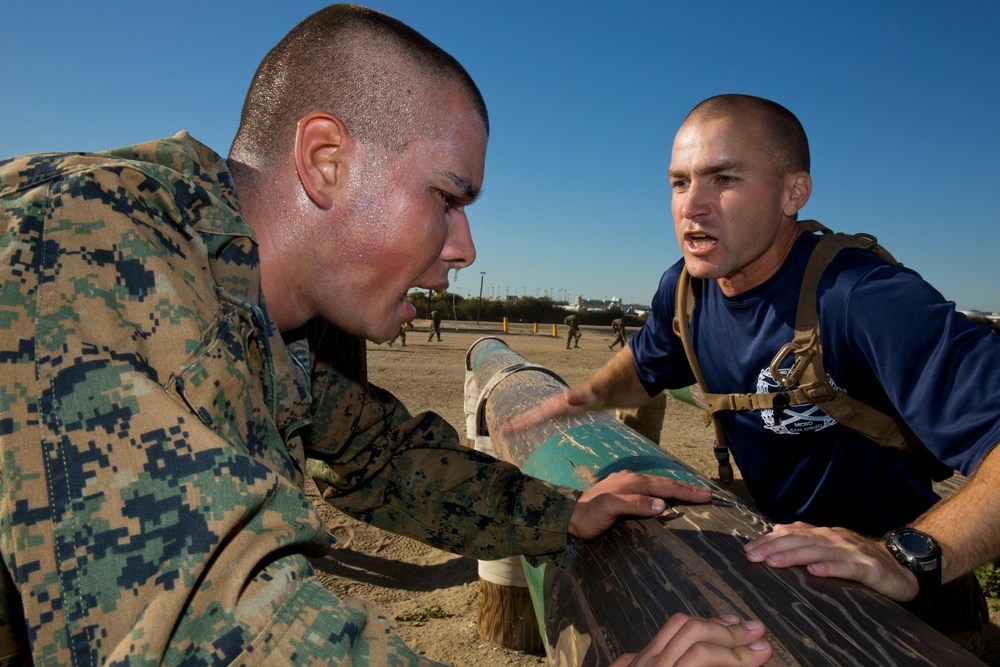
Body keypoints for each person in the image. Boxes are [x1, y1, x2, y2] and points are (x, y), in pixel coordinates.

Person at [0, 7, 773, 665]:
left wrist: (558, 511)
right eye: (446, 196)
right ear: (327, 162)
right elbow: (207, 622)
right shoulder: (82, 254)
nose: (466, 246)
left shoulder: (278, 304)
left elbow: (377, 457)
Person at [506, 94, 1000, 653]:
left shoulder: (864, 297)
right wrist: (586, 395)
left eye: (723, 179)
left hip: (913, 596)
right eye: (678, 183)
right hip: (786, 571)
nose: (692, 206)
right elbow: (646, 366)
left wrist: (901, 556)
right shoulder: (687, 291)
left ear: (794, 193)